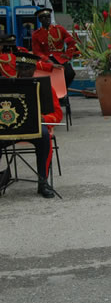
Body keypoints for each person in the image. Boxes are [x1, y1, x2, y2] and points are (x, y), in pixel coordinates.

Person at [0, 51, 62, 198]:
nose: (23, 72)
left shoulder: (44, 87)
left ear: (34, 69)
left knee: (45, 136)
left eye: (27, 68)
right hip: (9, 128)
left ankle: (43, 181)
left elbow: (57, 114)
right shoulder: (5, 86)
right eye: (20, 68)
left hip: (33, 127)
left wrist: (42, 118)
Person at [31, 8, 77, 88]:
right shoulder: (36, 34)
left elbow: (71, 41)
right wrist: (48, 61)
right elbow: (37, 51)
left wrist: (68, 54)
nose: (47, 19)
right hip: (46, 59)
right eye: (44, 17)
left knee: (70, 73)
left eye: (48, 17)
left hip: (60, 57)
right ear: (40, 20)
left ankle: (63, 88)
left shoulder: (59, 29)